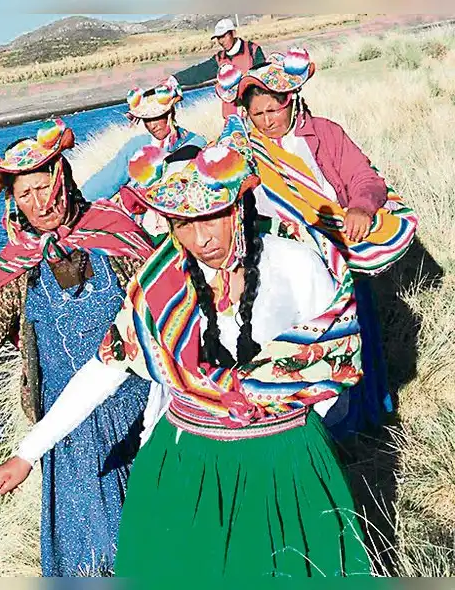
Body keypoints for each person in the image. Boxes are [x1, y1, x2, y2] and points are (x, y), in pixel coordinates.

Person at [0, 129, 371, 577]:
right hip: (188, 463)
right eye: (183, 223)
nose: (201, 238)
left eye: (211, 216)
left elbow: (336, 368)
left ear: (238, 206)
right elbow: (105, 369)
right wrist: (28, 451)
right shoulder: (160, 288)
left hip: (284, 458)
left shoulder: (298, 266)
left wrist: (290, 424)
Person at [0, 118, 157, 576]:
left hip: (130, 408)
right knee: (85, 537)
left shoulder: (114, 233)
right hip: (60, 419)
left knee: (136, 524)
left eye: (45, 187)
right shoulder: (19, 261)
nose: (40, 203)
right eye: (25, 195)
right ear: (13, 203)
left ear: (64, 179)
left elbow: (166, 307)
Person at [214, 47, 419, 438]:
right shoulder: (247, 152)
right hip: (289, 264)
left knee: (357, 333)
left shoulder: (325, 132)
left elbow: (364, 177)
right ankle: (312, 431)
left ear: (291, 100)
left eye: (274, 110)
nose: (267, 121)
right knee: (304, 345)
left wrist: (360, 206)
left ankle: (368, 416)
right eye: (257, 115)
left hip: (342, 249)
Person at [81, 78, 207, 243]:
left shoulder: (196, 143)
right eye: (147, 120)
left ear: (171, 113)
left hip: (186, 224)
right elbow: (108, 179)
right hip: (142, 228)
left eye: (157, 117)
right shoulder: (136, 146)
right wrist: (78, 202)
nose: (152, 125)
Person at [170, 17, 266, 119]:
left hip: (255, 112)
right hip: (231, 116)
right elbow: (199, 72)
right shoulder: (219, 58)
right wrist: (175, 79)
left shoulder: (252, 50)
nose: (221, 41)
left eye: (223, 36)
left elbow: (263, 78)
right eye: (218, 38)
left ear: (233, 33)